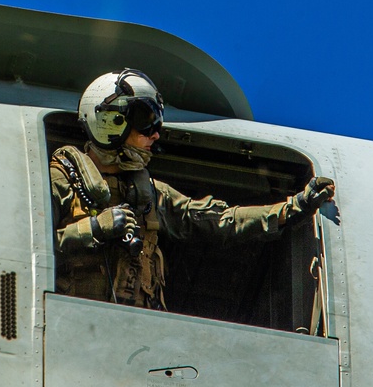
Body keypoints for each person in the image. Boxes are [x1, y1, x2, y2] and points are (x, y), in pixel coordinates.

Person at [50, 68, 335, 310]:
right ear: (110, 122)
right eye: (145, 124)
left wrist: (293, 208)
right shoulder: (61, 180)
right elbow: (31, 245)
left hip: (135, 332)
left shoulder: (149, 194)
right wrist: (93, 229)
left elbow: (218, 220)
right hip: (75, 323)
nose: (155, 134)